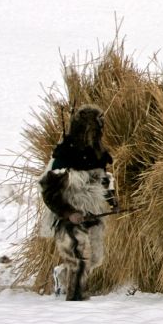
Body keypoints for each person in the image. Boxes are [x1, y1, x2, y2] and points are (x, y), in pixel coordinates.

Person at [38, 104, 118, 301]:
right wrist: (68, 213)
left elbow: (104, 179)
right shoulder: (65, 154)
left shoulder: (98, 153)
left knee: (96, 258)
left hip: (92, 212)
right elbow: (48, 191)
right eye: (96, 127)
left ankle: (62, 275)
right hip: (68, 214)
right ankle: (75, 304)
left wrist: (112, 200)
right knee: (79, 260)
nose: (100, 131)